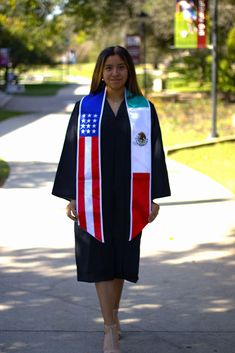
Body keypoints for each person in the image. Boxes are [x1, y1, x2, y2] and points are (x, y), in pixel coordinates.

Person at [52, 45, 171, 353]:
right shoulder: (86, 107)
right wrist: (72, 196)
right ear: (100, 73)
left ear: (128, 70)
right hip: (94, 197)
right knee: (99, 260)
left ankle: (113, 319)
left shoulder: (143, 108)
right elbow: (72, 151)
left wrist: (154, 196)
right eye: (109, 68)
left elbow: (155, 152)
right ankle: (109, 328)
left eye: (120, 67)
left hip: (131, 196)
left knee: (119, 260)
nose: (115, 73)